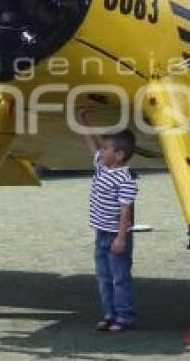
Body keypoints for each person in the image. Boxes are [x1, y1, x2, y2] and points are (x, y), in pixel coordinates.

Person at [79, 118, 139, 332]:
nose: (101, 152)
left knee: (120, 277)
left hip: (116, 235)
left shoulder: (126, 179)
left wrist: (122, 238)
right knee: (104, 276)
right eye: (103, 149)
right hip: (101, 234)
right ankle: (109, 314)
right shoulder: (102, 166)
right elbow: (91, 143)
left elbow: (125, 211)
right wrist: (82, 120)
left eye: (106, 149)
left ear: (119, 155)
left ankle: (124, 316)